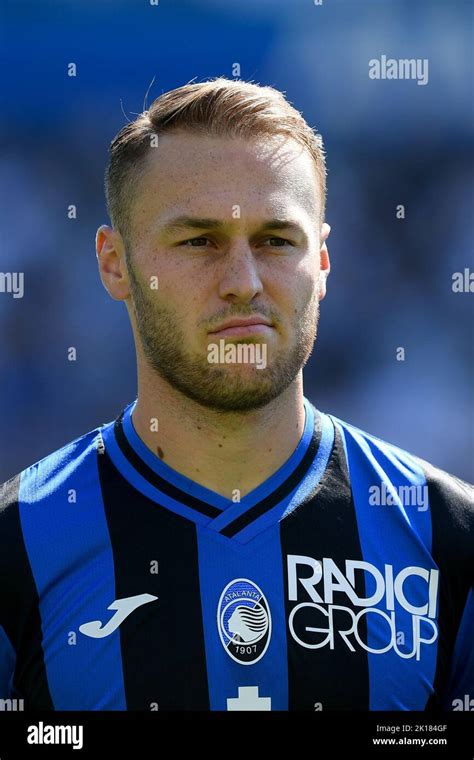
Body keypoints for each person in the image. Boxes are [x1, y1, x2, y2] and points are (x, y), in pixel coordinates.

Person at [0, 78, 472, 711]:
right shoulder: (17, 546)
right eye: (199, 241)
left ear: (323, 264)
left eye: (277, 241)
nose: (244, 283)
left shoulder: (452, 542)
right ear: (115, 264)